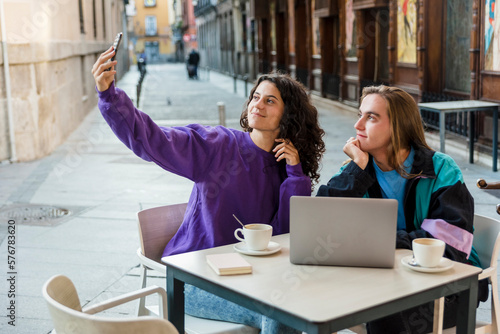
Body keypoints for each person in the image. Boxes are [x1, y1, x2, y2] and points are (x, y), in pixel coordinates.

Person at [92, 46, 325, 333]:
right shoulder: (219, 145)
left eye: (270, 101)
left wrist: (294, 174)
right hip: (195, 279)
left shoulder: (285, 168)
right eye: (255, 97)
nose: (257, 105)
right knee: (279, 314)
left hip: (251, 277)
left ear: (288, 116)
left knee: (307, 305)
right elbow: (155, 140)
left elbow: (284, 237)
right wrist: (110, 96)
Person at [316, 85, 488, 333]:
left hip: (451, 286)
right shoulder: (356, 170)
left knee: (385, 320)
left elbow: (450, 242)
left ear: (399, 126)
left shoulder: (440, 169)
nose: (358, 125)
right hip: (385, 281)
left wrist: (377, 241)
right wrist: (357, 170)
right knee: (313, 303)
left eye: (371, 117)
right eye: (360, 115)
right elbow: (319, 225)